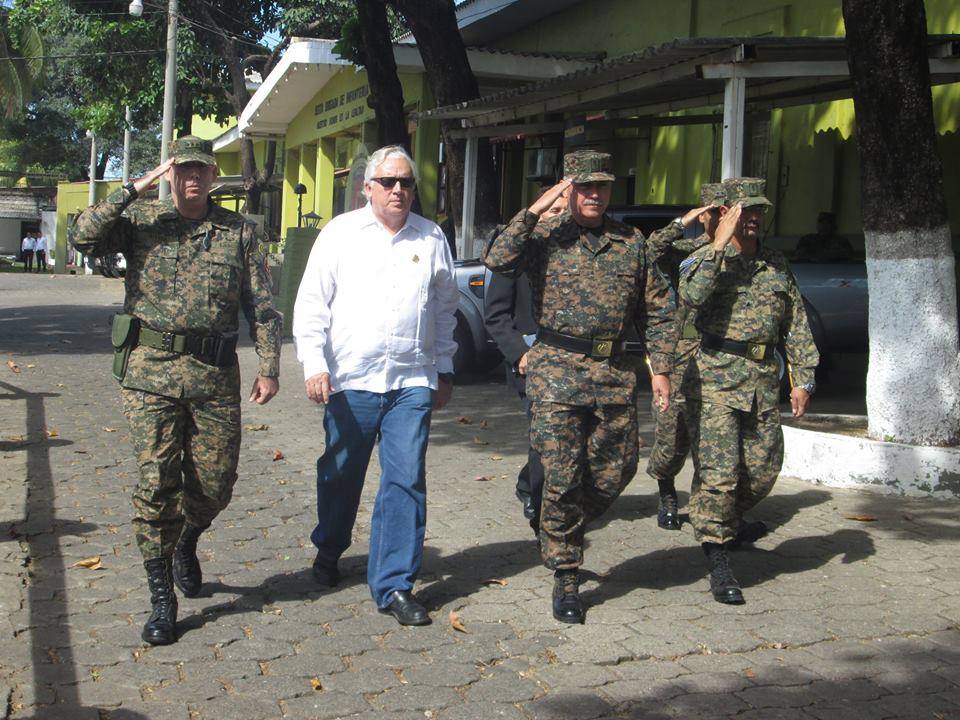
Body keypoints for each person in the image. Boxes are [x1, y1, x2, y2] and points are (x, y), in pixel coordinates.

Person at [71, 136, 282, 645]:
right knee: (157, 483)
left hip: (213, 376)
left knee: (215, 484)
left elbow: (263, 304)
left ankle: (188, 539)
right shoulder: (143, 222)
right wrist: (134, 185)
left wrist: (269, 365)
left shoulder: (238, 233)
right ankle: (161, 594)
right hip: (150, 374)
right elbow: (83, 237)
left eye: (201, 171)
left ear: (213, 176)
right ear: (170, 173)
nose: (192, 178)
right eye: (183, 169)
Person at [483, 150, 676, 624]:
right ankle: (566, 571)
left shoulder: (631, 242)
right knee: (563, 474)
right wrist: (536, 207)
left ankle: (553, 526)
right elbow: (498, 258)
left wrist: (662, 368)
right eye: (583, 187)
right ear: (568, 190)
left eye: (601, 187)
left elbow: (658, 310)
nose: (593, 195)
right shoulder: (545, 236)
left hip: (613, 371)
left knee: (620, 467)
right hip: (557, 371)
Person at [293, 144, 458, 627]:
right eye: (388, 182)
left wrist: (444, 369)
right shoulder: (340, 235)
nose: (399, 190)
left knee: (405, 480)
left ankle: (394, 585)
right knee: (341, 475)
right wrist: (313, 365)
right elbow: (311, 305)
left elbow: (446, 310)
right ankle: (330, 546)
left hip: (411, 381)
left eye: (406, 182)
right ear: (368, 187)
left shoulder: (430, 239)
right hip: (351, 381)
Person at [679, 177, 819, 606]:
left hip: (761, 380)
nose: (754, 218)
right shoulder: (703, 259)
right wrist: (718, 246)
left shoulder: (776, 263)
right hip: (714, 379)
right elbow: (689, 298)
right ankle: (718, 556)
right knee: (719, 476)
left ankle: (722, 520)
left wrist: (804, 377)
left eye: (758, 211)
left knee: (762, 468)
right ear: (725, 215)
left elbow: (794, 321)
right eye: (744, 211)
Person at [483, 188, 568, 536]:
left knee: (558, 436)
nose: (558, 217)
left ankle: (528, 482)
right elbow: (495, 315)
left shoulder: (573, 254)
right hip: (531, 355)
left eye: (565, 210)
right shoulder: (514, 253)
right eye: (552, 210)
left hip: (569, 358)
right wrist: (520, 353)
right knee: (545, 433)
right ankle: (539, 502)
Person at [644, 184, 726, 530]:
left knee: (716, 437)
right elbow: (648, 251)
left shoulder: (747, 254)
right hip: (683, 356)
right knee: (671, 433)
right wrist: (681, 222)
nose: (721, 219)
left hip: (722, 356)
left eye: (727, 211)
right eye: (714, 212)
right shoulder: (687, 251)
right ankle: (666, 491)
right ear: (704, 215)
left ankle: (713, 507)